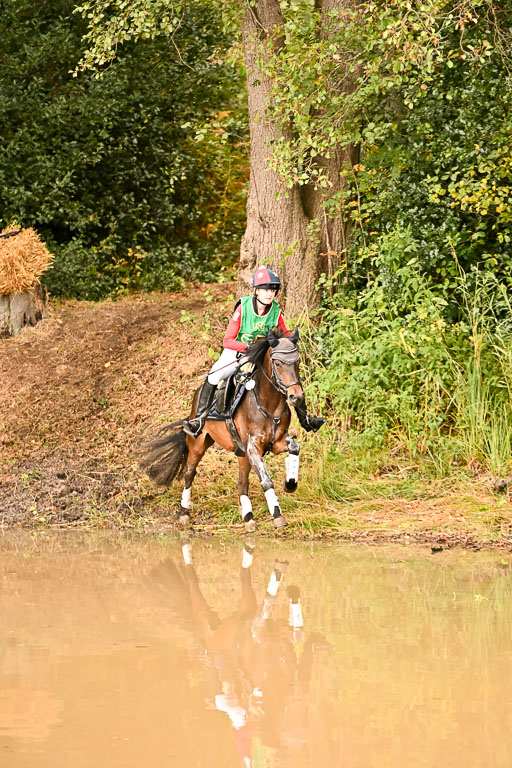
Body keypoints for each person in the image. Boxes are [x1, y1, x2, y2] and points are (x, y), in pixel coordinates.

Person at [183, 267, 325, 438]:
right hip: (237, 352)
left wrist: (290, 346)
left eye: (273, 290)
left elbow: (286, 335)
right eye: (266, 289)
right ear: (256, 290)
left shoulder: (276, 311)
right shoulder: (243, 308)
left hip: (261, 356)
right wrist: (248, 347)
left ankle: (305, 419)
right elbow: (227, 340)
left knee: (291, 379)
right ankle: (198, 420)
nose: (270, 293)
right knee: (214, 375)